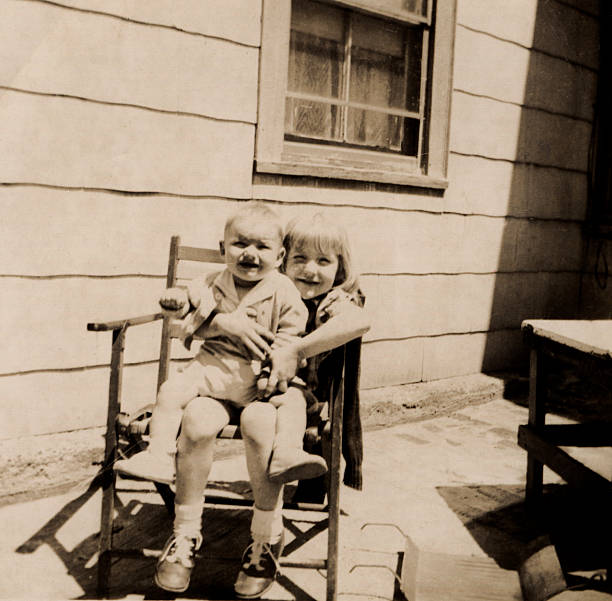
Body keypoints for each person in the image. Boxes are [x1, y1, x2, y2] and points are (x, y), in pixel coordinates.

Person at [154, 213, 370, 598]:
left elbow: (358, 321)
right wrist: (222, 323)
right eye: (300, 258)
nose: (310, 269)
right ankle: (185, 534)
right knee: (197, 420)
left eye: (324, 261)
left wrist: (295, 351)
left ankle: (265, 540)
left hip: (277, 398)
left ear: (340, 269)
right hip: (218, 387)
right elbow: (176, 320)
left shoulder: (332, 301)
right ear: (284, 259)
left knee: (258, 424)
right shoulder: (249, 287)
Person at [115, 202, 326, 485]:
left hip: (261, 376)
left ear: (279, 256)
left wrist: (274, 370)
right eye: (239, 244)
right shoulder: (210, 282)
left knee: (292, 401)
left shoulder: (284, 290)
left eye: (262, 247)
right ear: (222, 248)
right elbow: (186, 304)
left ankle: (287, 453)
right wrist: (176, 301)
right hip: (212, 370)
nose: (250, 253)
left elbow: (291, 335)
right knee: (171, 390)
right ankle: (160, 455)